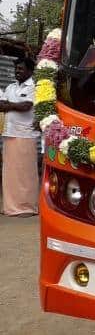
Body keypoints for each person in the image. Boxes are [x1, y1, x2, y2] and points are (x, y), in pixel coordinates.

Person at [0, 57, 39, 216]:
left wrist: (9, 106)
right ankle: (11, 207)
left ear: (30, 71)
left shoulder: (33, 87)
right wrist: (12, 106)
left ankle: (27, 207)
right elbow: (1, 105)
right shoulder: (10, 87)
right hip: (9, 134)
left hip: (25, 135)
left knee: (25, 173)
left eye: (21, 69)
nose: (17, 71)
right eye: (16, 69)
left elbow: (26, 106)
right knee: (10, 173)